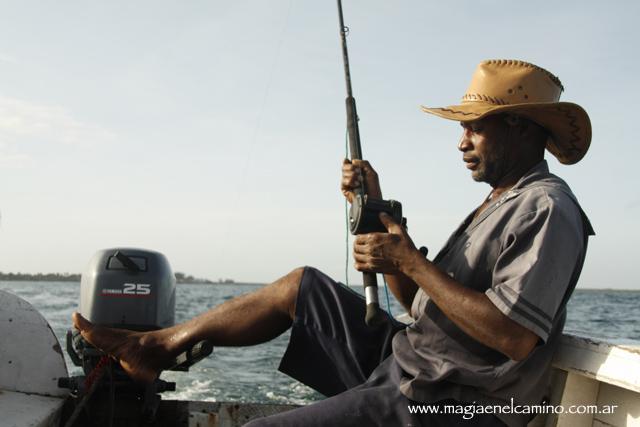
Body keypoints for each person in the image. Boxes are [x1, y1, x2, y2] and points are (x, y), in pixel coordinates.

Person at [72, 59, 594, 426]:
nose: (461, 142)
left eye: (476, 128)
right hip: (408, 361)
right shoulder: (498, 201)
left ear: (522, 129)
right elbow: (417, 302)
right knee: (300, 286)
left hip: (451, 404)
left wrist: (410, 260)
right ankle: (153, 346)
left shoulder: (547, 208)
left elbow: (514, 336)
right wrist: (377, 214)